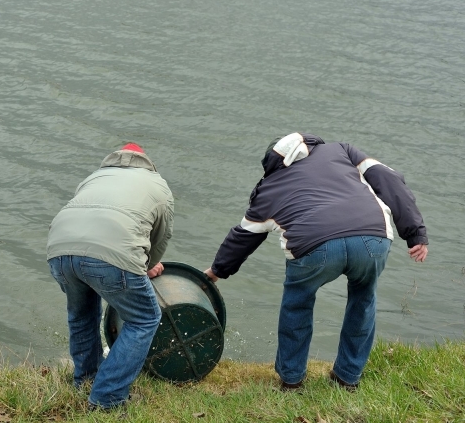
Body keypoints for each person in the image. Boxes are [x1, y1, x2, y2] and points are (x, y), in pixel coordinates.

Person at [204, 132, 428, 391]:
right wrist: (415, 233)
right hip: (373, 238)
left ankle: (292, 379)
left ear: (274, 163)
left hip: (315, 248)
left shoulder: (270, 186)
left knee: (297, 302)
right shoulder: (342, 151)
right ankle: (348, 377)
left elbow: (243, 237)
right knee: (363, 298)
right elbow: (389, 179)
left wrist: (215, 272)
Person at [47, 143, 174, 410]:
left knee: (81, 315)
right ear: (146, 162)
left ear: (115, 159)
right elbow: (161, 236)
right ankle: (108, 397)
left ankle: (86, 379)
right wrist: (147, 265)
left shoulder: (94, 177)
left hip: (59, 250)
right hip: (113, 254)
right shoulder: (157, 184)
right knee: (144, 319)